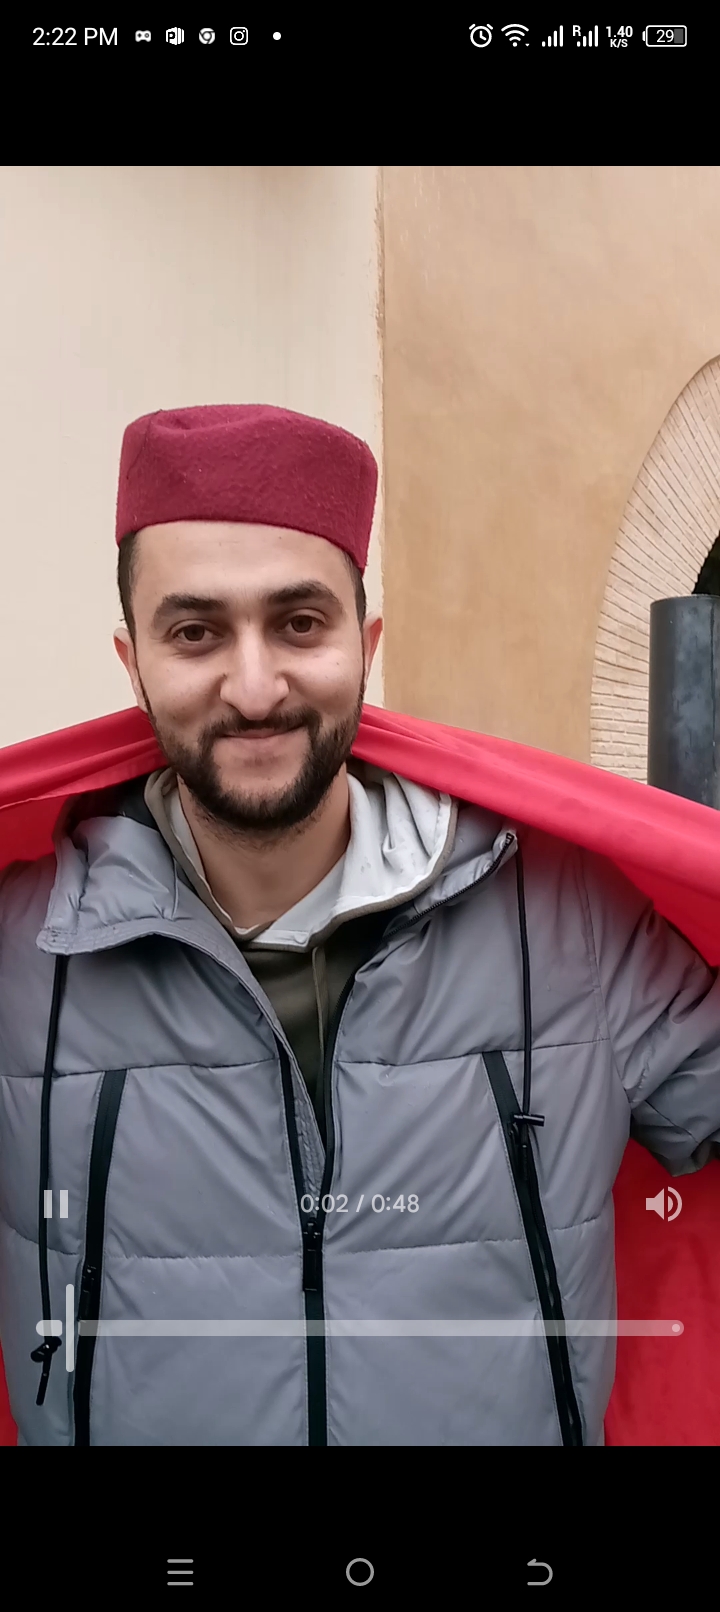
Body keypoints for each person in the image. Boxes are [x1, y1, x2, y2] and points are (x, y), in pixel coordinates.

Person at [2, 401, 720, 1448]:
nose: (255, 687)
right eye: (196, 631)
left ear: (365, 645)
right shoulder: (21, 955)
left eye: (300, 622)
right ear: (133, 662)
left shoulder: (567, 918)